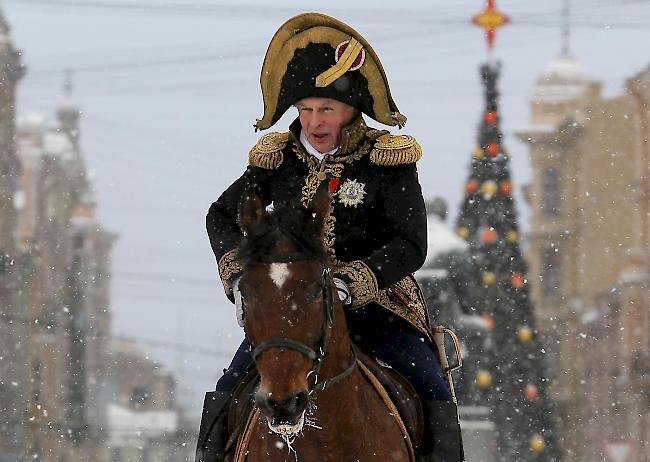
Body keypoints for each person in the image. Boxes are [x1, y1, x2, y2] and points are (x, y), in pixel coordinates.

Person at [197, 12, 464, 462]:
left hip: (378, 307)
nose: (314, 121)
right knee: (229, 387)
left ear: (351, 109)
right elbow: (221, 216)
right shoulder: (277, 160)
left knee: (430, 383)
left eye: (326, 109)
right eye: (305, 110)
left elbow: (410, 244)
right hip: (293, 309)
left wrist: (352, 282)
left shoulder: (387, 160)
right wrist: (240, 278)